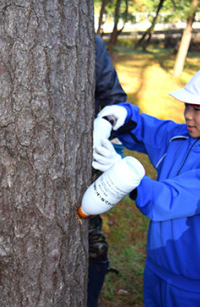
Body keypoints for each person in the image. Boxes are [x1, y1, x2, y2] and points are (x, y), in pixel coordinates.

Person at [93, 63, 200, 306]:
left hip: (189, 278)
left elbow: (168, 200)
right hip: (156, 263)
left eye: (197, 108)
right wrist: (121, 115)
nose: (188, 114)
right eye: (187, 105)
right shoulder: (180, 136)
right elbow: (146, 129)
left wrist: (122, 173)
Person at [87, 34, 126, 307]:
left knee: (91, 242)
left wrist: (106, 125)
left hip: (81, 163)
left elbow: (115, 101)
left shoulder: (89, 41)